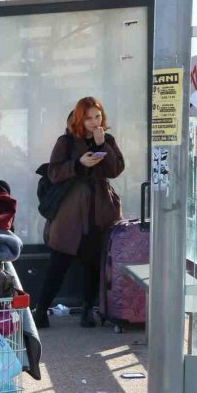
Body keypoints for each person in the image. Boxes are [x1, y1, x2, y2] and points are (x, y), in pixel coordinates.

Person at [34, 96, 125, 329]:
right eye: (88, 118)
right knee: (59, 262)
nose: (94, 122)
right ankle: (41, 309)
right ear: (79, 119)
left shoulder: (107, 139)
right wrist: (79, 164)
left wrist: (102, 144)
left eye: (98, 116)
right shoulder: (66, 141)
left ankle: (88, 309)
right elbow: (53, 173)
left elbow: (115, 170)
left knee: (93, 262)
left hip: (98, 210)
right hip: (71, 212)